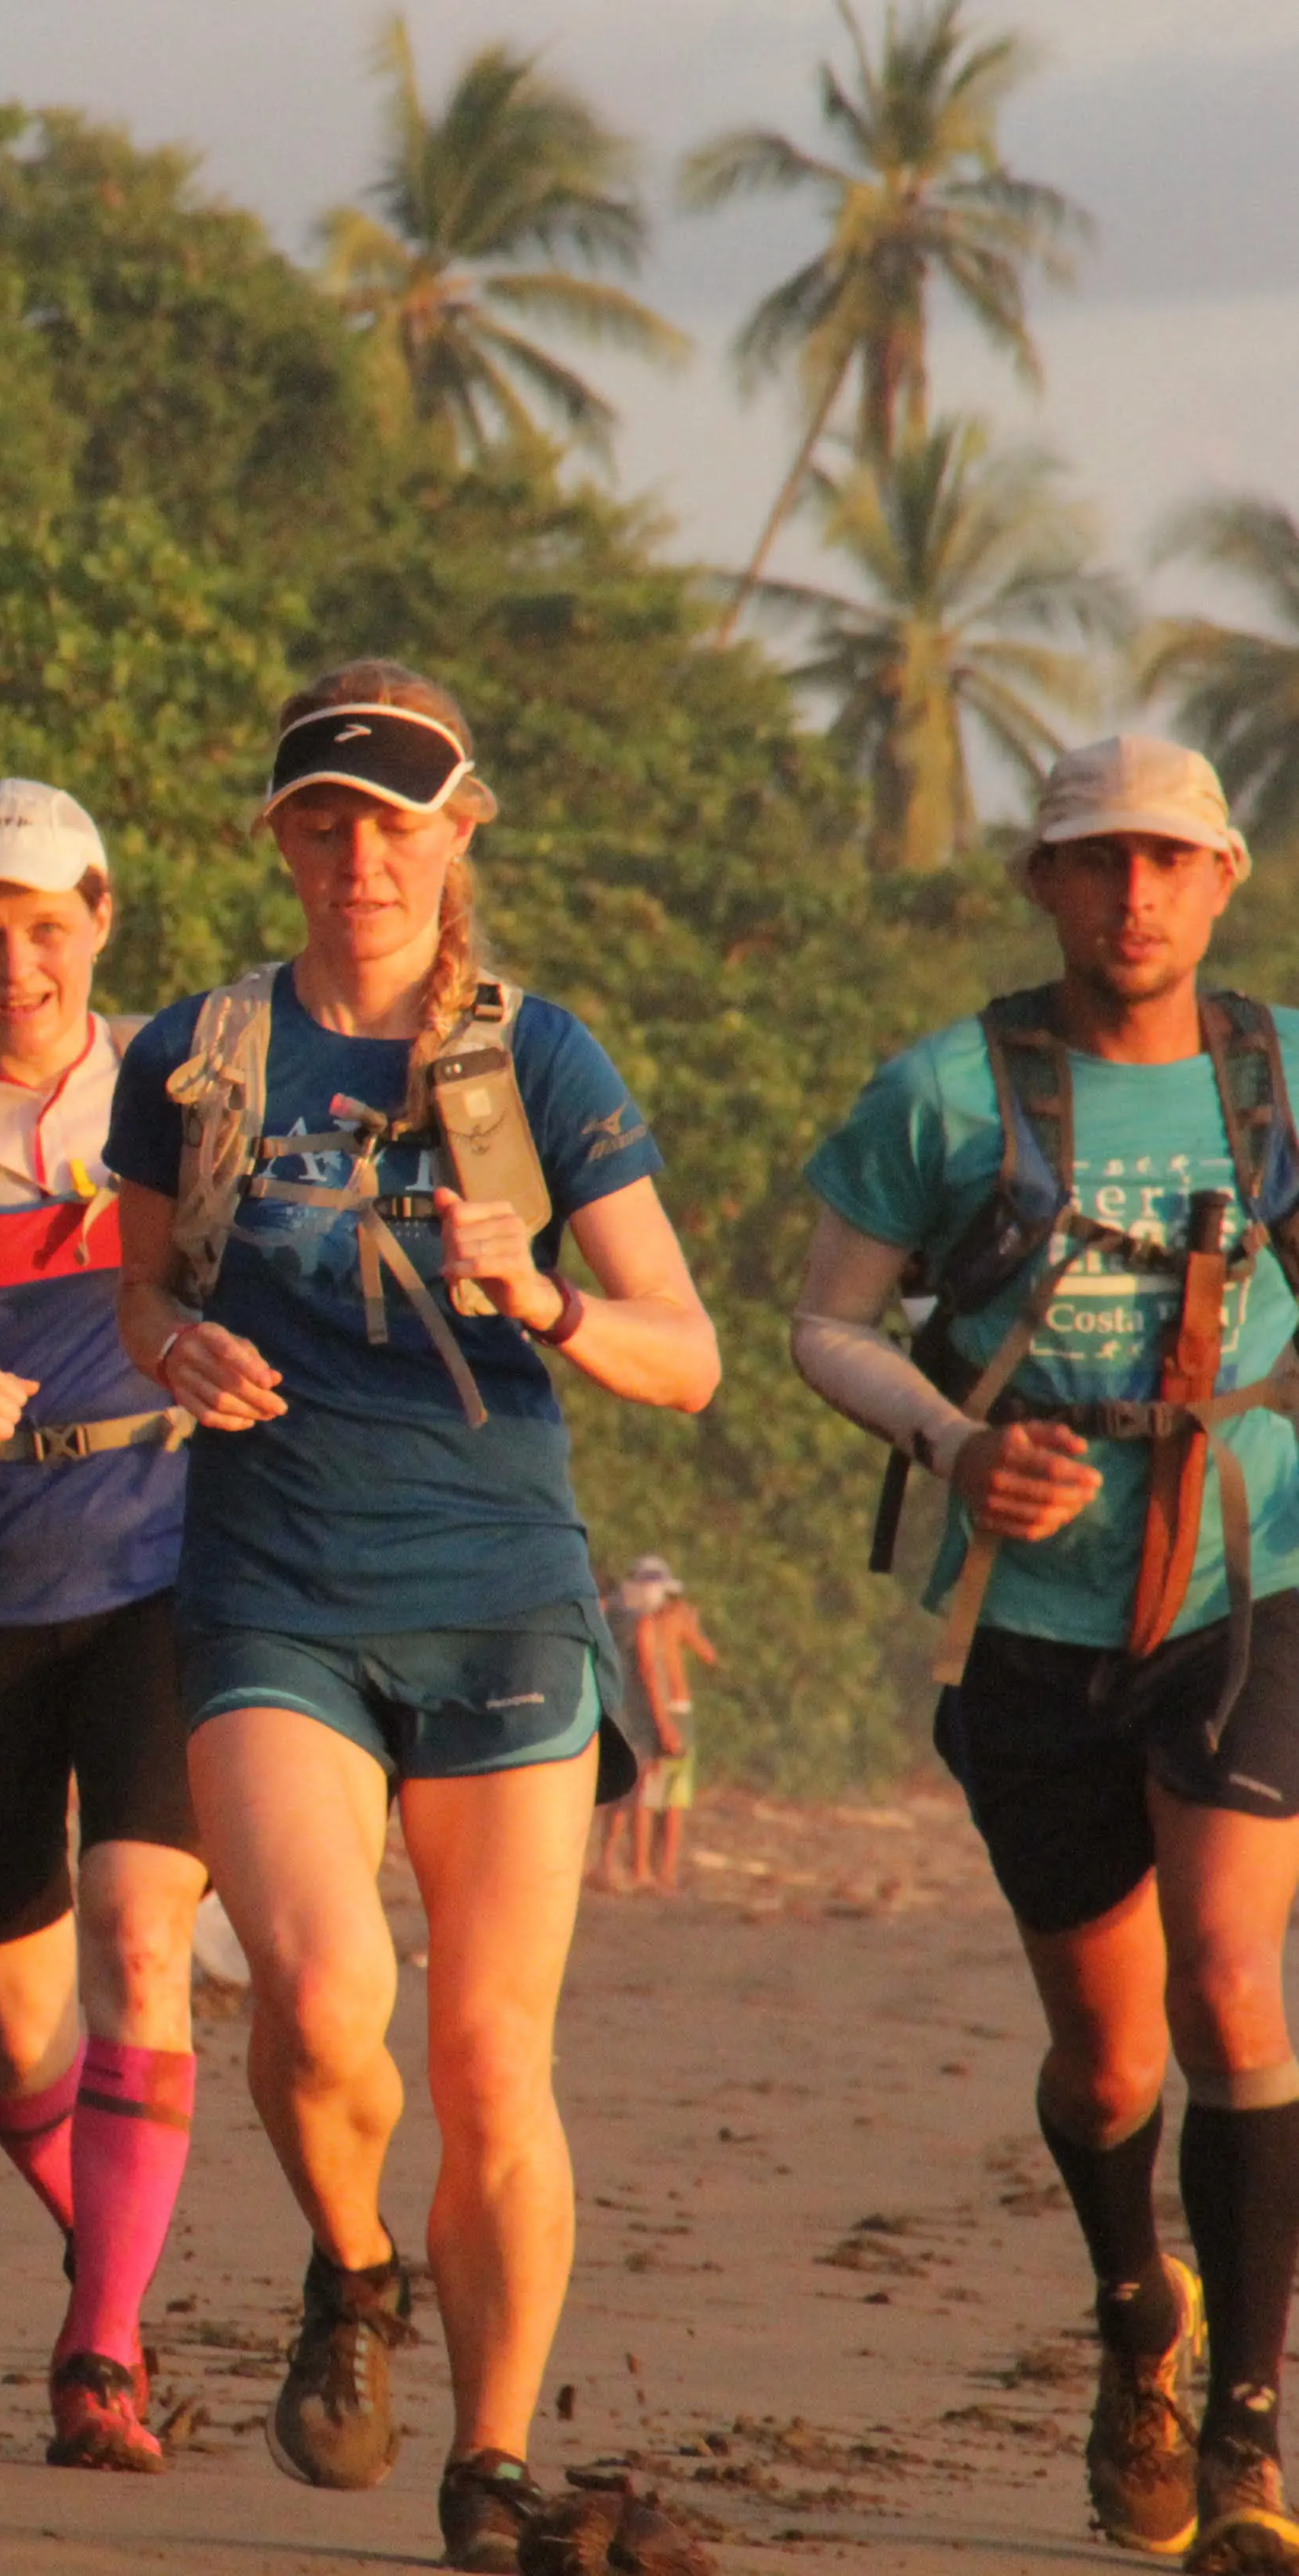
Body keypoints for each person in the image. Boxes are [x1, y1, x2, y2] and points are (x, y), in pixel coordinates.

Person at [104, 660, 720, 2570]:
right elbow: (133, 1293)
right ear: (277, 838)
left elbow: (680, 1356)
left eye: (393, 817)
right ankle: (353, 2267)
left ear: (456, 835)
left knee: (486, 2058)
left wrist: (534, 1294)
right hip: (272, 1587)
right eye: (321, 817)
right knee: (312, 1993)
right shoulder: (195, 1057)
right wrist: (176, 1346)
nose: (356, 853)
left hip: (500, 1599)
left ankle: (491, 2456)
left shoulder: (537, 1062)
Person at [791, 735, 1299, 2573]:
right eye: (1095, 863)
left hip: (1252, 1586)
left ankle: (1248, 2432)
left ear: (1221, 875)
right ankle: (1132, 2320)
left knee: (1232, 1979)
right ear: (1040, 882)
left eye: (1165, 860)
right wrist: (946, 1439)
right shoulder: (946, 1091)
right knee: (1101, 2065)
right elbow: (823, 1321)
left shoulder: (1278, 1077)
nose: (1131, 895)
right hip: (1024, 1620)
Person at [0, 780, 204, 2473]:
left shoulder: (184, 1083)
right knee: (13, 2026)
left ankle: (99, 2351)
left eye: (45, 932)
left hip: (160, 1568)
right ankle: (116, 2261)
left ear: (99, 919)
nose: (15, 968)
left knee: (143, 1938)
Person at [611, 1559, 716, 1892]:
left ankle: (644, 1867)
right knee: (668, 1796)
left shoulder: (629, 1620)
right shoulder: (671, 1619)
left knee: (652, 1793)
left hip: (646, 1710)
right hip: (672, 1709)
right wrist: (694, 1628)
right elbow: (709, 1657)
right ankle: (660, 1870)